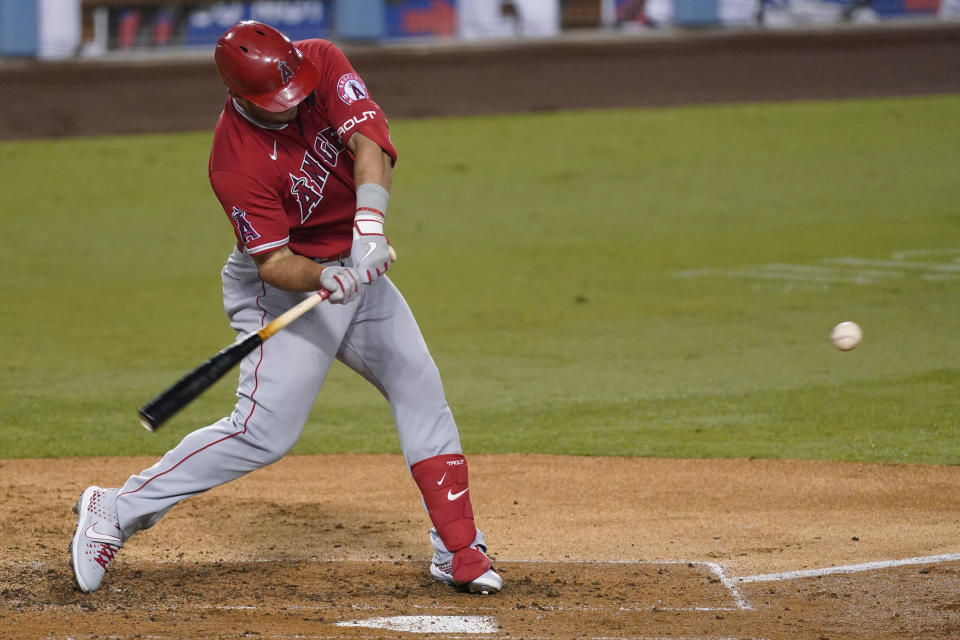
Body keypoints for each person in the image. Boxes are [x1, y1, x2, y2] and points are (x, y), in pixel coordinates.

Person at [69, 20, 502, 597]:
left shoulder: (319, 60)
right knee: (264, 433)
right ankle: (114, 510)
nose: (293, 107)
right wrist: (326, 275)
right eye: (277, 104)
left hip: (356, 263)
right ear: (240, 97)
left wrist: (368, 227)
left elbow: (369, 137)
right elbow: (273, 262)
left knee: (417, 384)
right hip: (285, 286)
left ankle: (458, 548)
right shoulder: (233, 161)